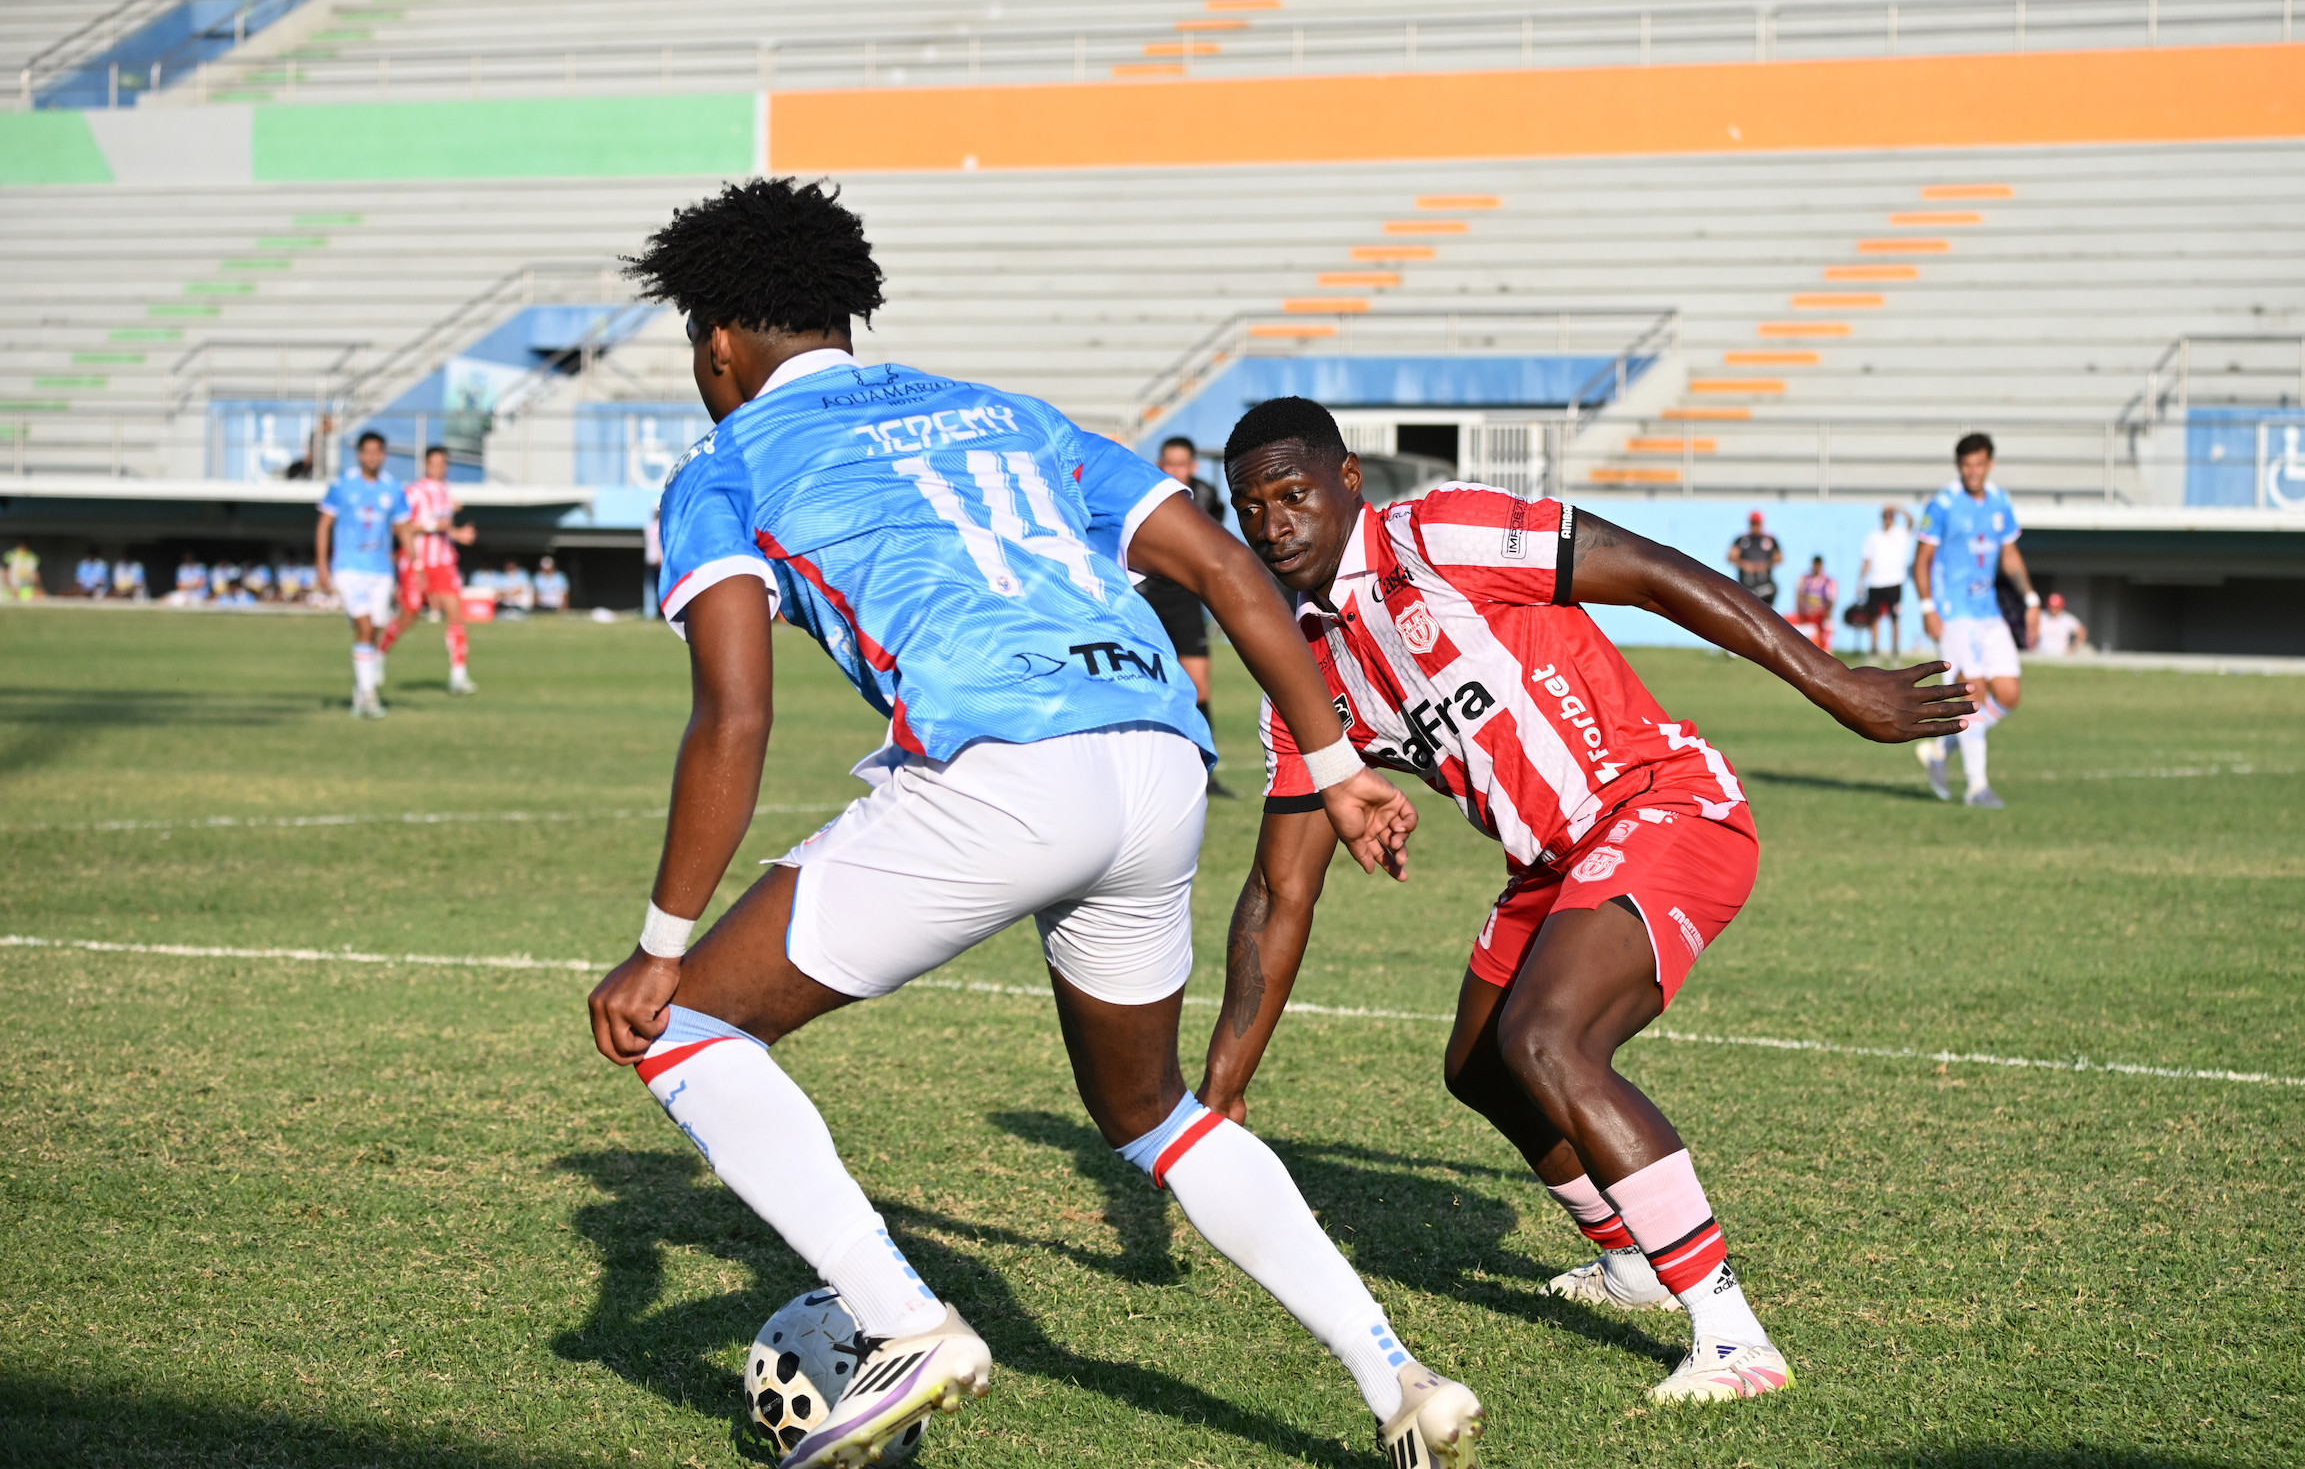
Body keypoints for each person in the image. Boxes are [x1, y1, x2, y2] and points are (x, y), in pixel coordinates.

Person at [585, 179, 1483, 1469]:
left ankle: (902, 1323)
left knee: (681, 1027)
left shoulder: (723, 465)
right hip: (1160, 763)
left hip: (1004, 773)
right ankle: (1398, 1378)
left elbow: (733, 715)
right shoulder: (1001, 412)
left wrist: (662, 938)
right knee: (1155, 1113)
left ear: (716, 342)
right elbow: (1228, 571)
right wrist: (1336, 766)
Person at [1203, 396, 1969, 1406]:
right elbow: (1277, 891)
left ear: (1348, 481)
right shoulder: (1299, 669)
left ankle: (1734, 1339)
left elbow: (1649, 569)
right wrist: (1216, 1093)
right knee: (1481, 1065)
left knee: (1547, 1041)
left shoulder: (1438, 534)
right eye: (1248, 509)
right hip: (1551, 862)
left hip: (1664, 805)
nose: (1272, 527)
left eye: (1292, 495)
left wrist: (1833, 683)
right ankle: (1633, 1263)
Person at [1913, 432, 2038, 810]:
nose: (1973, 472)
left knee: (2010, 694)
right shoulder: (1943, 505)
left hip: (1988, 612)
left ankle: (1940, 750)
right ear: (1958, 467)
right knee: (1972, 694)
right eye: (1966, 465)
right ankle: (1976, 787)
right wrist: (1927, 608)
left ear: (1989, 465)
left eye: (1979, 464)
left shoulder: (2000, 502)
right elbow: (1921, 561)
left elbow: (2010, 555)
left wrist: (2030, 599)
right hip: (1953, 614)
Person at [1135, 436, 1234, 796]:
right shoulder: (1143, 491)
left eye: (1181, 465)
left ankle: (1204, 775)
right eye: (1168, 464)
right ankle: (1151, 774)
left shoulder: (1207, 498)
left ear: (1192, 467)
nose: (1174, 470)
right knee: (1147, 683)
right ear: (1159, 464)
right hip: (1146, 596)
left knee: (1199, 686)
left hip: (1186, 599)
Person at [316, 430, 413, 718]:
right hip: (349, 567)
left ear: (384, 455)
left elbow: (402, 528)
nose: (372, 457)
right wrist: (322, 565)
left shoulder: (393, 488)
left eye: (377, 452)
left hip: (381, 570)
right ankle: (368, 695)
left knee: (375, 628)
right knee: (366, 626)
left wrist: (415, 565)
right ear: (359, 455)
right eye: (366, 451)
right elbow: (324, 525)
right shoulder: (343, 485)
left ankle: (362, 687)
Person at [379, 444, 480, 694]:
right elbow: (400, 527)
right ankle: (378, 655)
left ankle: (458, 675)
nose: (439, 468)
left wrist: (458, 534)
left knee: (455, 613)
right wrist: (432, 525)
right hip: (416, 562)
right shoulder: (414, 492)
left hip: (444, 561)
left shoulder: (446, 492)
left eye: (443, 463)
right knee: (408, 616)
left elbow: (443, 528)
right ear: (426, 465)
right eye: (434, 463)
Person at [1856, 505, 1913, 656]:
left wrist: (1897, 507)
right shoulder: (1873, 536)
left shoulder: (1900, 534)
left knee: (1895, 617)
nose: (1888, 519)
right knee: (1874, 617)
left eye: (1890, 516)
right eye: (1885, 516)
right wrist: (1860, 582)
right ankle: (1874, 647)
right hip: (1875, 582)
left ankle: (1895, 648)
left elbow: (1911, 521)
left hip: (1894, 581)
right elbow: (1866, 560)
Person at [1725, 511, 1781, 608]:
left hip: (1764, 584)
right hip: (1746, 584)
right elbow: (1731, 556)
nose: (1755, 526)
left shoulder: (1770, 540)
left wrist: (1764, 565)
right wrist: (1744, 564)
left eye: (1757, 523)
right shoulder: (1742, 539)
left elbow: (1779, 558)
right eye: (1753, 523)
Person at [1792, 555, 1836, 650]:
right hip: (1806, 615)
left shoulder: (1828, 582)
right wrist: (1800, 611)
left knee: (1829, 625)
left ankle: (1826, 649)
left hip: (1820, 616)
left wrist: (1827, 613)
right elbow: (1799, 595)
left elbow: (1831, 599)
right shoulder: (1804, 579)